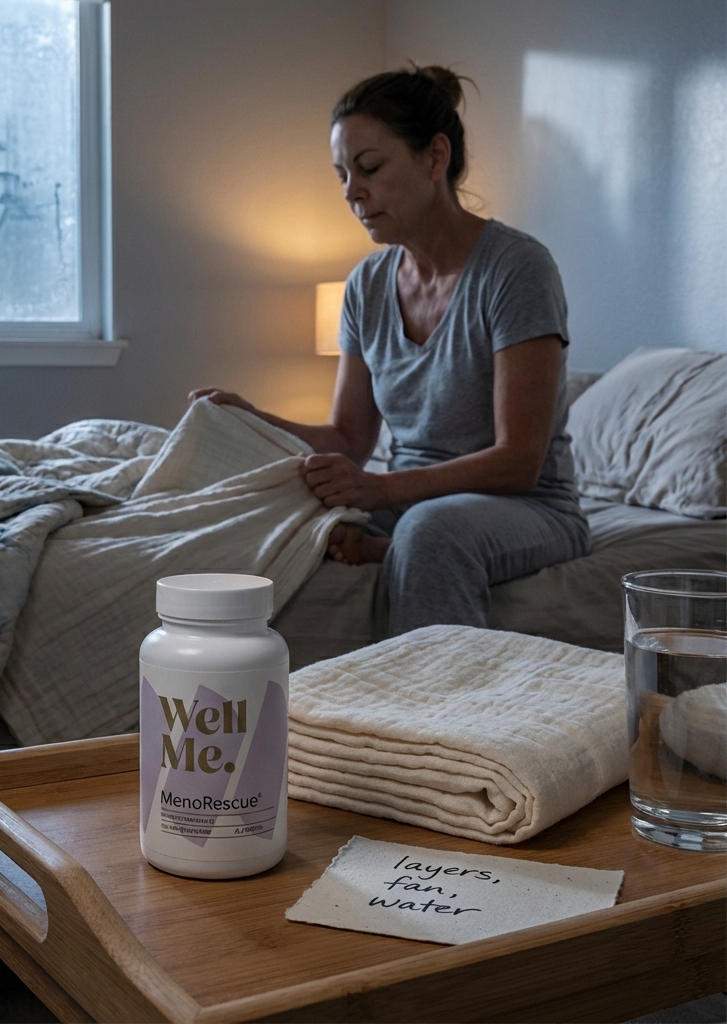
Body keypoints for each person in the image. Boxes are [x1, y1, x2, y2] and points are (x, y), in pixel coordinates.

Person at [189, 65, 590, 637]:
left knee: (431, 531)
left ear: (434, 158)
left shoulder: (516, 269)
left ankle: (435, 720)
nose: (352, 191)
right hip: (410, 497)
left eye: (370, 168)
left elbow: (518, 461)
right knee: (262, 516)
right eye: (342, 174)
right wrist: (252, 421)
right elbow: (351, 438)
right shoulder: (367, 285)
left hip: (528, 507)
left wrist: (380, 492)